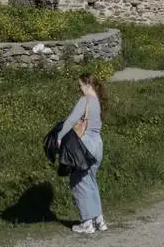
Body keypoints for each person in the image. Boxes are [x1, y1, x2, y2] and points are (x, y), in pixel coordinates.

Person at [56, 73, 108, 234]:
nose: (79, 89)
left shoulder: (85, 100)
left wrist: (59, 137)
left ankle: (87, 223)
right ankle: (99, 220)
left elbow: (72, 120)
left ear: (88, 85)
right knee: (90, 181)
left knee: (79, 182)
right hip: (98, 144)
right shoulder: (97, 101)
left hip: (86, 144)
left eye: (80, 85)